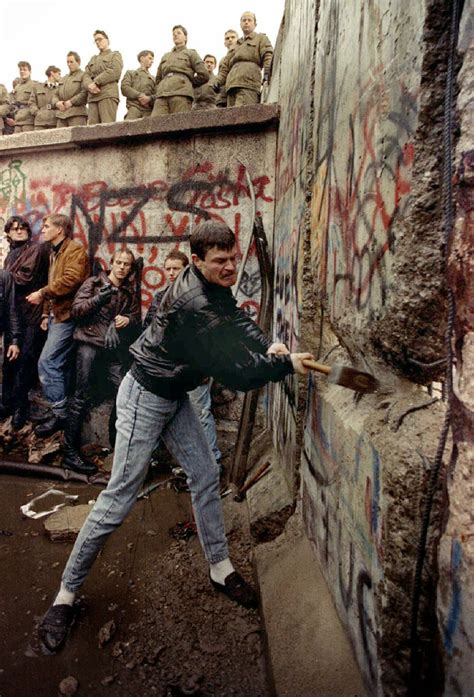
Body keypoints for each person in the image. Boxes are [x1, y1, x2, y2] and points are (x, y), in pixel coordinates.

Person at [37, 220, 313, 653]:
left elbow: (234, 316)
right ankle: (65, 596)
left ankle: (220, 567)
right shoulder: (192, 300)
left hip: (174, 392)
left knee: (205, 475)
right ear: (198, 260)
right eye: (220, 261)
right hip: (146, 396)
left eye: (232, 258)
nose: (229, 267)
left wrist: (268, 344)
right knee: (117, 500)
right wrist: (283, 365)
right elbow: (236, 374)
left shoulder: (209, 284)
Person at [63, 248, 141, 475]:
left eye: (127, 264)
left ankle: (118, 450)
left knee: (123, 394)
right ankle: (70, 453)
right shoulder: (94, 283)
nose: (122, 267)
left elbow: (136, 318)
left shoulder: (128, 292)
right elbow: (76, 311)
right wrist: (99, 299)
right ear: (112, 263)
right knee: (80, 397)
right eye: (119, 262)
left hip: (113, 350)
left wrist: (127, 319)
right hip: (89, 345)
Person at [143, 250, 222, 468]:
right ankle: (151, 462)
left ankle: (212, 464)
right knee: (158, 414)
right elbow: (147, 330)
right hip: (165, 370)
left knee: (200, 414)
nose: (170, 273)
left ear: (186, 270)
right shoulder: (160, 297)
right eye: (167, 269)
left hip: (193, 368)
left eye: (175, 269)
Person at [26, 214, 89, 438]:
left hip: (68, 317)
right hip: (56, 315)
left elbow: (71, 280)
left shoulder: (75, 250)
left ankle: (61, 415)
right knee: (57, 364)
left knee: (47, 363)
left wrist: (42, 293)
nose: (42, 230)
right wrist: (45, 313)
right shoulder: (55, 251)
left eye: (47, 226)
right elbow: (54, 282)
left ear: (60, 229)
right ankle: (60, 413)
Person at [2, 216, 49, 428]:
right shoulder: (11, 255)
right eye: (14, 229)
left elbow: (24, 278)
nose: (19, 231)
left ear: (28, 231)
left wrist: (4, 278)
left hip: (31, 313)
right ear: (9, 234)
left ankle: (20, 407)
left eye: (22, 228)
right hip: (13, 314)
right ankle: (6, 403)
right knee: (9, 359)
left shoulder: (36, 250)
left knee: (25, 360)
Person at [215, 12, 273, 107]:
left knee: (243, 117)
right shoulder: (235, 45)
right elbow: (224, 68)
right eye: (244, 20)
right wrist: (217, 81)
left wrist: (267, 73)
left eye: (249, 20)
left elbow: (268, 56)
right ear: (240, 24)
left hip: (248, 84)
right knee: (231, 118)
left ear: (255, 24)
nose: (246, 22)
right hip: (231, 87)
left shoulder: (261, 38)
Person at [151, 25, 209, 116]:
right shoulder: (166, 55)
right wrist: (161, 87)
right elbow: (158, 78)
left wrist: (187, 82)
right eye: (173, 34)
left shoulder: (191, 53)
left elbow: (204, 75)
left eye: (178, 33)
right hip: (162, 95)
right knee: (154, 124)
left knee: (179, 124)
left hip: (181, 93)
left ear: (185, 37)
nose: (175, 35)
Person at [85, 29, 123, 124]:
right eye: (95, 41)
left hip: (107, 94)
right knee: (92, 130)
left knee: (107, 128)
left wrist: (96, 82)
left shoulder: (115, 55)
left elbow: (115, 71)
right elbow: (85, 75)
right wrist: (89, 85)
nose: (97, 42)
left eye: (100, 39)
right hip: (93, 96)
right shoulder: (93, 59)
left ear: (107, 40)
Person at [0, 270, 21, 415]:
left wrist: (15, 340)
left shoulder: (5, 277)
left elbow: (12, 309)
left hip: (3, 333)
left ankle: (6, 407)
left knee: (7, 369)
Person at [54, 52, 90, 128]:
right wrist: (57, 103)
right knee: (60, 139)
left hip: (77, 114)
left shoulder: (84, 75)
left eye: (71, 62)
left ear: (78, 62)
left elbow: (85, 92)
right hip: (62, 115)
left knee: (78, 138)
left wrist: (72, 102)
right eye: (67, 62)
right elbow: (55, 95)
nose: (69, 64)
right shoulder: (64, 78)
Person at [121, 50, 156, 120]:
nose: (152, 61)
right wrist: (139, 95)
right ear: (142, 58)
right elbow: (124, 88)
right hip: (134, 107)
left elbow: (158, 94)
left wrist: (149, 99)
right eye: (150, 58)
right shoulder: (131, 73)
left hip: (148, 111)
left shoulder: (154, 79)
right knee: (126, 128)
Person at [29, 65, 61, 130]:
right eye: (59, 74)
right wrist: (37, 113)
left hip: (55, 121)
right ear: (52, 73)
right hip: (40, 122)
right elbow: (31, 102)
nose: (60, 76)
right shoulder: (37, 87)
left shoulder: (60, 88)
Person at [9, 62, 37, 133]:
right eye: (20, 70)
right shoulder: (17, 87)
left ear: (30, 72)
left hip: (28, 120)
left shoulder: (34, 85)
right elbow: (12, 102)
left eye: (24, 70)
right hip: (17, 120)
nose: (22, 71)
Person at [216, 30, 239, 108]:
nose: (230, 40)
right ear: (224, 43)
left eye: (233, 37)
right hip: (223, 96)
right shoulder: (222, 60)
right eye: (227, 38)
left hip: (237, 90)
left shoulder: (240, 55)